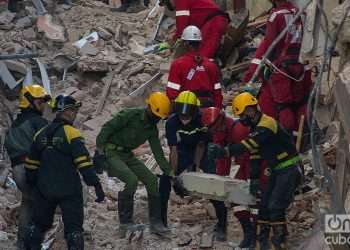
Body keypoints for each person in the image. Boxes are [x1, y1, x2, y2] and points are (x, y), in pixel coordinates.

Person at [210, 92, 302, 249]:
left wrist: (225, 152)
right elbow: (255, 155)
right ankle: (262, 244)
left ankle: (279, 243)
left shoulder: (266, 124)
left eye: (242, 115)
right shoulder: (255, 127)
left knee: (275, 206)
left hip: (289, 168)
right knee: (264, 206)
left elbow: (249, 145)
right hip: (277, 169)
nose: (241, 119)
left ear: (251, 110)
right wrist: (254, 179)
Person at [24, 95, 105, 250]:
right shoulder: (72, 133)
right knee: (74, 229)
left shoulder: (39, 134)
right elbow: (84, 163)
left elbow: (31, 165)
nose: (74, 114)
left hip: (44, 189)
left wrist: (35, 186)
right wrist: (96, 184)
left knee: (37, 226)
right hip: (69, 189)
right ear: (66, 112)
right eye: (73, 111)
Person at [96, 92, 173, 235]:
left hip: (126, 154)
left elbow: (158, 154)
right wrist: (99, 150)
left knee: (151, 180)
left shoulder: (152, 129)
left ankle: (156, 222)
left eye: (159, 118)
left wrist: (171, 173)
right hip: (111, 152)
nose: (157, 120)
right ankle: (125, 223)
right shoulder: (130, 115)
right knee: (131, 180)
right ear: (149, 107)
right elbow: (107, 128)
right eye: (156, 116)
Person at [243, 0, 313, 138]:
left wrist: (252, 73)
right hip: (300, 67)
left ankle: (288, 139)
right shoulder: (302, 13)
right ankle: (305, 136)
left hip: (282, 70)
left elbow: (269, 45)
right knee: (300, 103)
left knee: (284, 106)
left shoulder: (276, 16)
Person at [201, 107, 269, 246]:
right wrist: (221, 180)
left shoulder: (239, 130)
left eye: (213, 127)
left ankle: (260, 235)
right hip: (241, 164)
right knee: (235, 198)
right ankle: (249, 232)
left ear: (220, 121)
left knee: (256, 199)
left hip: (255, 164)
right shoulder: (220, 131)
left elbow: (249, 155)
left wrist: (249, 178)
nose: (212, 131)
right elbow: (222, 158)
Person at [4, 84, 51, 250]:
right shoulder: (39, 122)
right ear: (30, 102)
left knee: (28, 203)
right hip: (33, 169)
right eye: (41, 101)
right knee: (41, 205)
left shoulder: (15, 124)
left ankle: (22, 244)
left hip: (17, 171)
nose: (44, 105)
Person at [159, 91, 205, 227]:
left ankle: (221, 224)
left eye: (188, 113)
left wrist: (195, 168)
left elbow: (201, 145)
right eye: (181, 113)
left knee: (213, 181)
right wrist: (173, 176)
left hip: (202, 151)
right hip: (182, 150)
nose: (184, 117)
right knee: (164, 181)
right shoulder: (171, 122)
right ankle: (160, 220)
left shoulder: (201, 120)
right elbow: (173, 150)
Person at [166, 25, 223, 108]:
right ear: (199, 44)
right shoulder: (211, 65)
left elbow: (172, 93)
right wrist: (216, 111)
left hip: (187, 107)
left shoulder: (177, 64)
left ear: (185, 43)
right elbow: (217, 92)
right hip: (207, 106)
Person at [160, 0, 229, 58]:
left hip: (213, 23)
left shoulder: (180, 1)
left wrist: (172, 44)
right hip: (211, 23)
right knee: (199, 55)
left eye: (167, 3)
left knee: (202, 58)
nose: (173, 7)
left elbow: (181, 28)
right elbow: (186, 24)